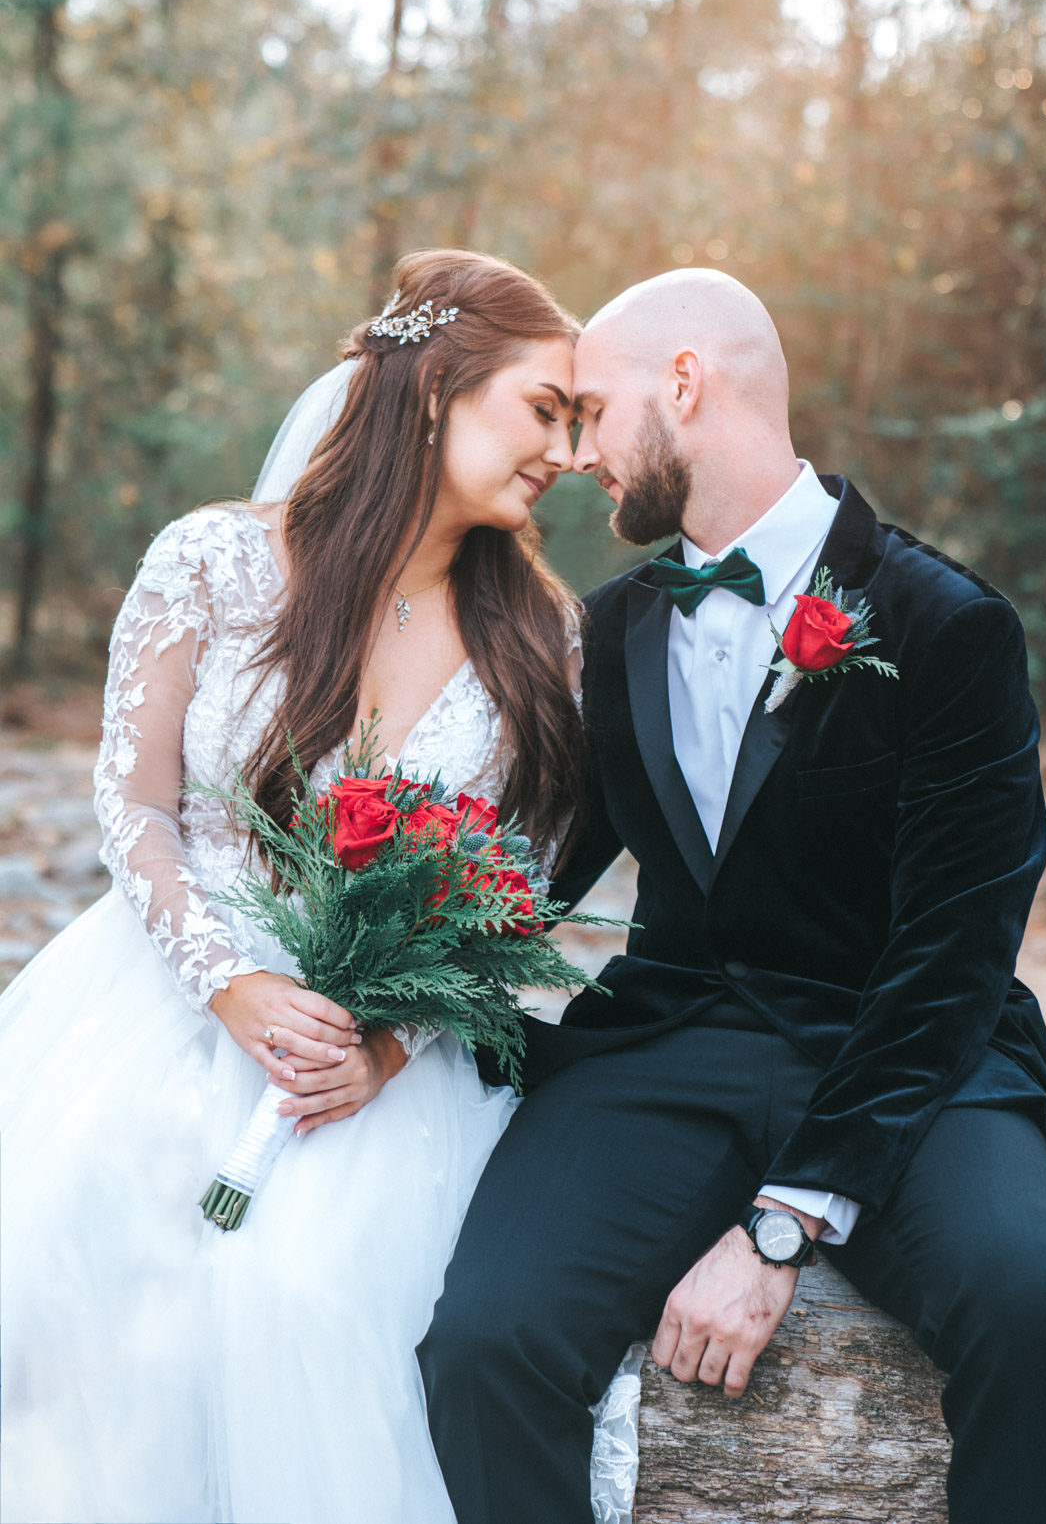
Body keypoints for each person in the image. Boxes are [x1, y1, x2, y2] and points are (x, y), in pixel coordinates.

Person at [419, 267, 1046, 1524]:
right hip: (672, 1048)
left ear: (685, 384)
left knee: (1030, 1309)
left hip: (912, 1057)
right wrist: (361, 961)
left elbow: (955, 947)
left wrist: (780, 1227)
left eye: (593, 412)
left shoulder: (948, 625)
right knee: (486, 1339)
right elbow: (530, 874)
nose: (575, 456)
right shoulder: (615, 628)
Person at [0, 250, 637, 1524]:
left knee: (307, 1296)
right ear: (433, 389)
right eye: (542, 409)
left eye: (577, 424)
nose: (565, 452)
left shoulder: (544, 638)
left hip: (384, 1067)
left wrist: (388, 1048)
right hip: (167, 996)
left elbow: (512, 886)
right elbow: (134, 806)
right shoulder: (212, 562)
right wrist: (231, 984)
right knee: (76, 1267)